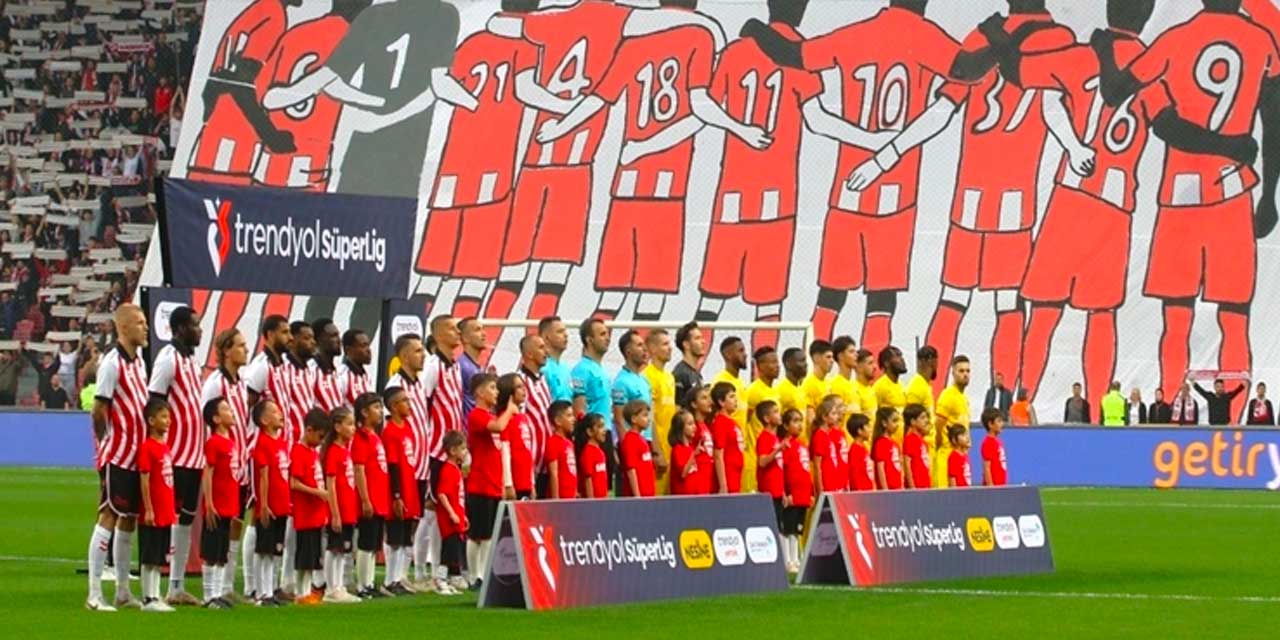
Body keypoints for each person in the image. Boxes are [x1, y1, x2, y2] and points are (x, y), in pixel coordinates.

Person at [87, 304, 149, 612]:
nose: (145, 328)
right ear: (123, 327)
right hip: (119, 454)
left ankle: (123, 590)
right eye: (139, 323)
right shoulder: (112, 363)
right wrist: (104, 445)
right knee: (109, 515)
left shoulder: (139, 362)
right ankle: (94, 594)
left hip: (138, 455)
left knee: (129, 519)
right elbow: (99, 410)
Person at [147, 306, 205, 607]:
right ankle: (153, 587)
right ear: (180, 328)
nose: (200, 330)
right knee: (166, 519)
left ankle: (177, 585)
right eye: (195, 325)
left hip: (195, 455)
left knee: (185, 521)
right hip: (176, 454)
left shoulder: (191, 359)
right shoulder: (168, 358)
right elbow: (154, 400)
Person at [199, 329, 253, 603]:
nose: (246, 350)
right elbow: (206, 420)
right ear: (226, 351)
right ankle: (213, 589)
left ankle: (226, 584)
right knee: (218, 526)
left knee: (236, 522)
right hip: (221, 463)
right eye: (240, 346)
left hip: (239, 461)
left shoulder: (241, 382)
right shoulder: (215, 384)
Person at [465, 373, 510, 591]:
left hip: (493, 483)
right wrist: (510, 410)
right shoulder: (477, 415)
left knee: (490, 534)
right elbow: (499, 427)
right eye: (492, 388)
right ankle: (474, 576)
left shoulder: (490, 416)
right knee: (478, 533)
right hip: (480, 483)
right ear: (480, 393)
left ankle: (484, 574)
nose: (497, 392)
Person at [136, 398, 176, 613]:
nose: (167, 421)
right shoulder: (147, 448)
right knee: (149, 556)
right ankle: (148, 597)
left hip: (165, 510)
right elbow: (145, 479)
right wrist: (149, 508)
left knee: (160, 556)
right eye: (163, 417)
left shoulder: (165, 447)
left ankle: (156, 593)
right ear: (151, 421)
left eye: (168, 416)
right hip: (153, 511)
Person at [378, 388, 418, 596]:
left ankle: (399, 578)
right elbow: (393, 465)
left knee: (405, 537)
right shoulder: (390, 432)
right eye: (404, 401)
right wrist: (396, 496)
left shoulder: (407, 427)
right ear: (393, 407)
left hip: (410, 487)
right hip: (399, 491)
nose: (409, 404)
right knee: (395, 537)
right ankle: (390, 579)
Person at [350, 393, 390, 600]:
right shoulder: (361, 438)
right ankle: (362, 584)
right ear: (364, 412)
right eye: (376, 408)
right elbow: (359, 469)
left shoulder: (375, 436)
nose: (380, 412)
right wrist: (365, 499)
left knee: (375, 543)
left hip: (380, 497)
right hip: (370, 497)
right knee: (366, 543)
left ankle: (370, 581)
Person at [201, 397, 239, 609]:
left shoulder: (230, 441)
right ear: (216, 419)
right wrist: (209, 503)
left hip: (228, 505)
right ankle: (209, 595)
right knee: (212, 551)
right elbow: (208, 472)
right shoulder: (214, 442)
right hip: (216, 505)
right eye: (226, 409)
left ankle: (217, 593)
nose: (231, 411)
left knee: (222, 552)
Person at [290, 410, 331, 605]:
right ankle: (301, 592)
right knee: (304, 556)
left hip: (316, 514)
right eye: (320, 437)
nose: (321, 442)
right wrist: (317, 492)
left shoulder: (312, 452)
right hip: (305, 514)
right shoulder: (299, 451)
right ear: (309, 430)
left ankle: (306, 591)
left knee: (313, 556)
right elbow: (294, 483)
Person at [251, 399, 290, 607]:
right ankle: (261, 592)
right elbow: (263, 477)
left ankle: (271, 589)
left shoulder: (281, 443)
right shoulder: (263, 444)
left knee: (275, 551)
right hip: (269, 506)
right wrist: (264, 505)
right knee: (264, 550)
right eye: (274, 412)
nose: (280, 414)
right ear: (264, 420)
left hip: (282, 505)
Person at [322, 407, 362, 604]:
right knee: (334, 548)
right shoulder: (333, 452)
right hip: (339, 510)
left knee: (343, 549)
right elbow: (330, 484)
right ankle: (331, 588)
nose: (353, 428)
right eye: (349, 424)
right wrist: (335, 512)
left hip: (348, 509)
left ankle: (339, 585)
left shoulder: (345, 451)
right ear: (337, 427)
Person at [572, 319, 615, 489]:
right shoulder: (581, 370)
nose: (608, 338)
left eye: (607, 334)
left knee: (605, 488)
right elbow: (579, 410)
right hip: (592, 437)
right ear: (589, 339)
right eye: (602, 334)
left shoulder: (602, 370)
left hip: (605, 433)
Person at [713, 337, 751, 489]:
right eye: (740, 351)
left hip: (740, 454)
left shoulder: (741, 384)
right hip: (727, 457)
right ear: (728, 355)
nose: (745, 354)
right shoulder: (720, 381)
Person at [517, 336, 553, 497]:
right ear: (529, 354)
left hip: (547, 459)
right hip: (530, 462)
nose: (546, 352)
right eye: (541, 347)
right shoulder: (519, 381)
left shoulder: (543, 379)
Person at [435, 430, 470, 596]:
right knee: (448, 549)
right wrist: (451, 513)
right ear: (453, 450)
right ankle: (440, 579)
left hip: (457, 517)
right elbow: (442, 494)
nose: (465, 452)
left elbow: (457, 496)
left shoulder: (455, 469)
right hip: (449, 520)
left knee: (454, 548)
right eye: (462, 449)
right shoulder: (448, 469)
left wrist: (463, 515)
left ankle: (450, 578)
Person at [644, 330, 677, 495]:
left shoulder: (670, 377)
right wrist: (657, 452)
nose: (670, 348)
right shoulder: (648, 376)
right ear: (652, 349)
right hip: (659, 450)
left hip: (672, 449)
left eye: (669, 344)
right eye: (665, 344)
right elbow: (649, 417)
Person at [779, 408, 811, 574]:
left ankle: (796, 559)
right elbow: (784, 471)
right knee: (788, 528)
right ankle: (788, 560)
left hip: (803, 495)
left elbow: (806, 471)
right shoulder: (785, 446)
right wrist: (787, 492)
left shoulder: (802, 446)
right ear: (785, 425)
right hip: (792, 495)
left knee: (798, 529)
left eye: (801, 421)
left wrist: (810, 493)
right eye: (795, 421)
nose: (800, 425)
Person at [497, 374, 535, 502]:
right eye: (519, 386)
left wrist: (532, 482)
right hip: (515, 482)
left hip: (526, 482)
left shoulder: (523, 418)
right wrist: (508, 484)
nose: (524, 389)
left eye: (523, 385)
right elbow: (505, 451)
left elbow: (528, 452)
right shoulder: (505, 418)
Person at [745, 347, 782, 467]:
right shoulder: (753, 391)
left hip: (771, 454)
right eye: (773, 362)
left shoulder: (775, 391)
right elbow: (745, 420)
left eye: (777, 361)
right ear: (760, 366)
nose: (777, 366)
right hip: (755, 457)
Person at [711, 381, 745, 494]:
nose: (736, 400)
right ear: (721, 402)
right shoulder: (720, 422)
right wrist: (723, 485)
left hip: (736, 478)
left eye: (735, 396)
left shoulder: (733, 423)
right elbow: (718, 455)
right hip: (728, 479)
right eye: (731, 397)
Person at [755, 400, 785, 524]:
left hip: (778, 491)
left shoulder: (775, 438)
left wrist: (783, 492)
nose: (780, 415)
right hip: (769, 492)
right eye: (776, 412)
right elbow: (762, 462)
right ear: (767, 418)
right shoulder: (764, 437)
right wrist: (777, 450)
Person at [619, 400, 657, 498]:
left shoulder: (641, 439)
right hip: (639, 498)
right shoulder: (630, 440)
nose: (648, 419)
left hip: (648, 495)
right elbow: (631, 470)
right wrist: (637, 497)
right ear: (634, 419)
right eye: (644, 415)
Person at [810, 394, 846, 495]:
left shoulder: (828, 435)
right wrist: (820, 491)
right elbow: (817, 467)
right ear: (825, 417)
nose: (837, 416)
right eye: (833, 414)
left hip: (835, 485)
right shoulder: (819, 435)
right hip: (827, 487)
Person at [311, 318, 346, 414]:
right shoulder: (310, 370)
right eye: (333, 336)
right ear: (319, 339)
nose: (339, 340)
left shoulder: (337, 373)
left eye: (338, 335)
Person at [545, 401, 578, 500]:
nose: (573, 419)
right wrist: (556, 499)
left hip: (571, 497)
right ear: (558, 421)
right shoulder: (553, 442)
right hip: (561, 499)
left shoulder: (570, 443)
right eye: (569, 415)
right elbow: (553, 473)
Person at [539, 317, 574, 403]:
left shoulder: (566, 369)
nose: (566, 335)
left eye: (565, 331)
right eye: (560, 332)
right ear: (546, 338)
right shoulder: (542, 369)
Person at [458, 317, 488, 414]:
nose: (484, 334)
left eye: (483, 329)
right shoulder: (462, 367)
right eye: (477, 330)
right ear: (465, 338)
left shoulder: (477, 367)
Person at [576, 413, 609, 499]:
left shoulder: (600, 451)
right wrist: (591, 502)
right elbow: (588, 480)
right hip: (594, 503)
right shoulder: (588, 452)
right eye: (600, 427)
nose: (604, 430)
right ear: (590, 432)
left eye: (604, 426)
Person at [668, 410, 701, 496]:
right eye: (690, 424)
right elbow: (683, 473)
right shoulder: (677, 449)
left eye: (694, 423)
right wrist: (693, 455)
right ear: (680, 428)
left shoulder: (690, 448)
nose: (694, 427)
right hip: (682, 498)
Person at [672, 321, 705, 406]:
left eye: (702, 338)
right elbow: (678, 409)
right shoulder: (680, 374)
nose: (703, 341)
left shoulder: (697, 374)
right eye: (697, 338)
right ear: (686, 345)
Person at [873, 346, 908, 425]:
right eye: (897, 356)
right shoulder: (880, 386)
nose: (902, 359)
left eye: (901, 356)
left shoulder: (901, 385)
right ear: (887, 363)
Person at [872, 407, 904, 491]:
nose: (897, 424)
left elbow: (900, 467)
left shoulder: (895, 444)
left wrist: (902, 486)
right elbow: (880, 468)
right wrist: (885, 490)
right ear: (884, 423)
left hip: (898, 489)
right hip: (888, 491)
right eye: (894, 421)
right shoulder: (880, 443)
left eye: (898, 421)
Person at [340, 329, 374, 406]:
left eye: (368, 345)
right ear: (348, 350)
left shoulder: (367, 376)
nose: (368, 350)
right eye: (363, 346)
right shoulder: (341, 376)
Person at [827, 336, 860, 415]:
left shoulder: (854, 384)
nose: (856, 355)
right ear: (840, 356)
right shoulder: (835, 385)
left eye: (856, 351)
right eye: (851, 352)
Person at [902, 404, 932, 489]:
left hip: (925, 487)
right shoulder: (910, 439)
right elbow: (907, 466)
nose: (926, 420)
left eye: (926, 417)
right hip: (916, 489)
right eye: (922, 418)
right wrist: (913, 489)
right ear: (913, 421)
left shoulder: (923, 441)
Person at [803, 341, 835, 419]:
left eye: (832, 357)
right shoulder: (809, 384)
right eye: (828, 357)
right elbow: (810, 419)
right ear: (816, 358)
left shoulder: (828, 383)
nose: (832, 361)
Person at [777, 348, 810, 423]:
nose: (806, 364)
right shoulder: (781, 390)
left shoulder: (801, 387)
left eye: (805, 360)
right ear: (788, 364)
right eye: (801, 361)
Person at [846, 413, 874, 492]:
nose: (870, 429)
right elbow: (855, 476)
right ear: (859, 431)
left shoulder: (863, 447)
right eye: (867, 426)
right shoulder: (855, 451)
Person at [980, 408, 1008, 486]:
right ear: (990, 424)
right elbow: (986, 467)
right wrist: (991, 487)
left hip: (1001, 486)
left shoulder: (997, 441)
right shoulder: (988, 443)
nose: (1002, 424)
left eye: (1002, 421)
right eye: (999, 421)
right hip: (994, 488)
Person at [853, 349, 879, 426]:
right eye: (870, 363)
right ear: (859, 367)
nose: (875, 367)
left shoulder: (871, 389)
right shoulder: (854, 390)